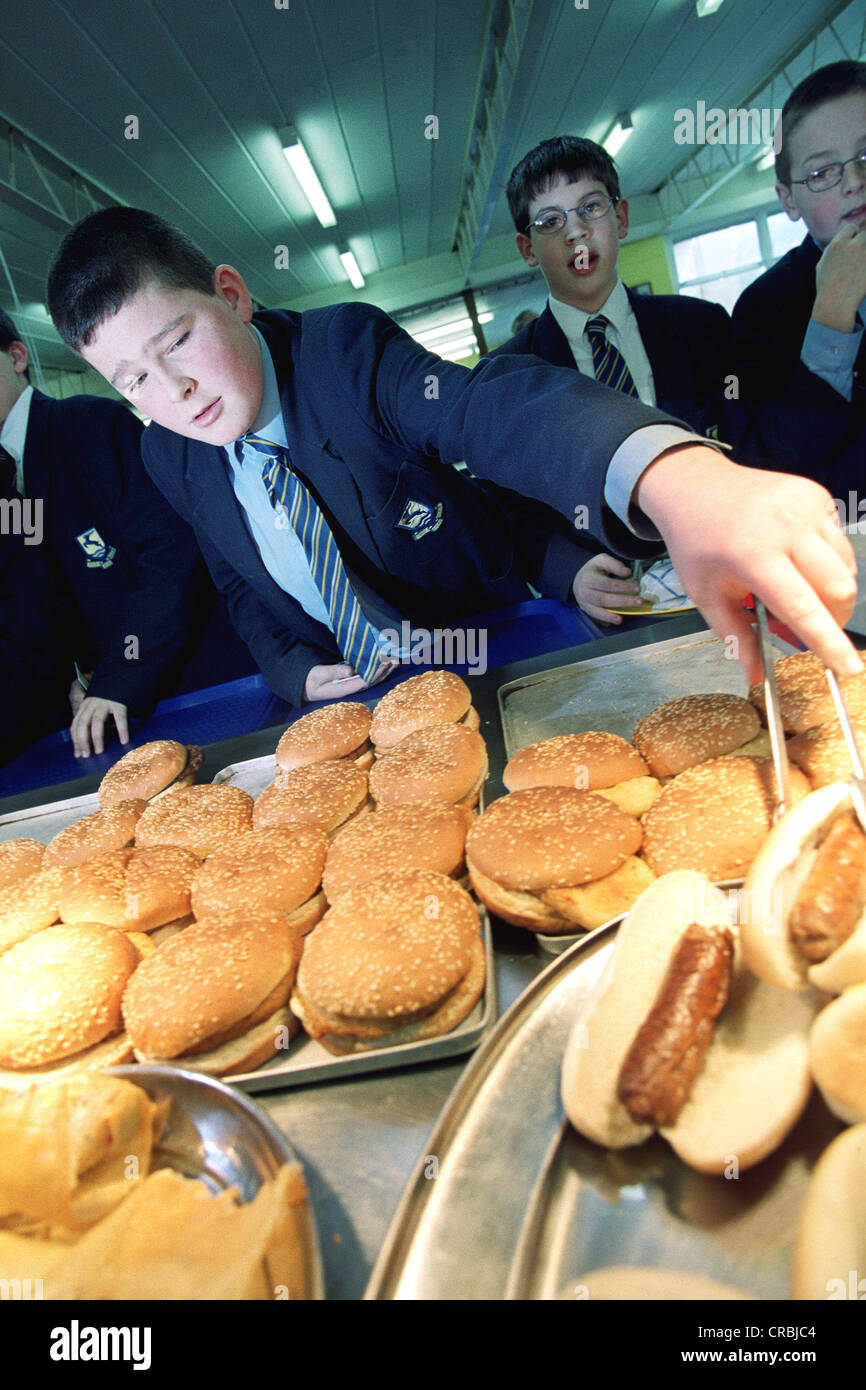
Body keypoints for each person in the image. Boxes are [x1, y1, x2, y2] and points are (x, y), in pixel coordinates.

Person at [45, 207, 860, 699]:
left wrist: (677, 477)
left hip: (493, 643)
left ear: (231, 294)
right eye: (132, 381)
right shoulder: (170, 456)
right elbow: (236, 579)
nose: (173, 393)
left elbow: (492, 407)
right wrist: (291, 669)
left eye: (178, 342)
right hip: (365, 696)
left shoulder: (344, 354)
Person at [490, 135, 737, 625]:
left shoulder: (703, 328)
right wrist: (568, 569)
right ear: (527, 248)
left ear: (620, 218)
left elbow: (749, 438)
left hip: (726, 576)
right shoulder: (510, 376)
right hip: (609, 611)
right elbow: (507, 509)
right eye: (550, 221)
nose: (576, 234)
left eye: (591, 208)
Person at [0, 308, 249, 758]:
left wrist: (119, 674)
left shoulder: (89, 425)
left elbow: (171, 552)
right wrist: (78, 678)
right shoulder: (5, 482)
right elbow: (37, 601)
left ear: (18, 355)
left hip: (199, 682)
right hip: (117, 710)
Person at [731, 61, 866, 492]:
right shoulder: (763, 308)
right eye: (822, 172)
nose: (855, 182)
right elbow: (781, 469)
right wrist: (833, 314)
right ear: (788, 200)